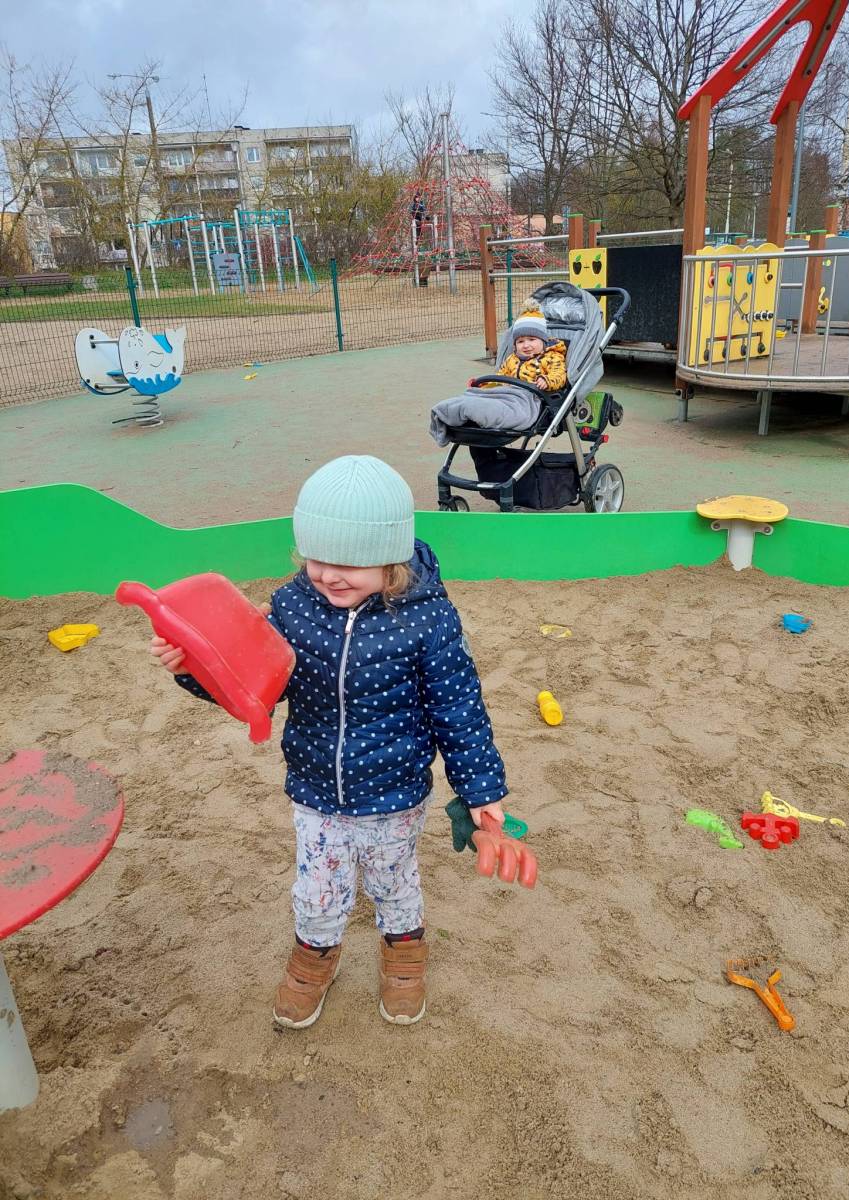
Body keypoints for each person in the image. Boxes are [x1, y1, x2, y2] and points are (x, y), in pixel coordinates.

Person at [150, 455, 508, 1029]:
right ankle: (314, 960)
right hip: (316, 789)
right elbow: (253, 686)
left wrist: (482, 791)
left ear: (390, 558)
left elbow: (459, 710)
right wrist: (191, 666)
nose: (330, 575)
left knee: (395, 882)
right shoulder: (291, 607)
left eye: (350, 563)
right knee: (318, 888)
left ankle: (404, 957)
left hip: (394, 793)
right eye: (317, 559)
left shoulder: (429, 620)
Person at [493, 307, 567, 392]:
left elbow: (559, 375)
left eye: (531, 340)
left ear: (543, 341)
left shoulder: (552, 357)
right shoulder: (511, 359)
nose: (526, 345)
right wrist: (493, 383)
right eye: (520, 341)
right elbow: (500, 376)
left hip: (535, 395)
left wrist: (547, 381)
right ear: (515, 345)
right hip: (510, 393)